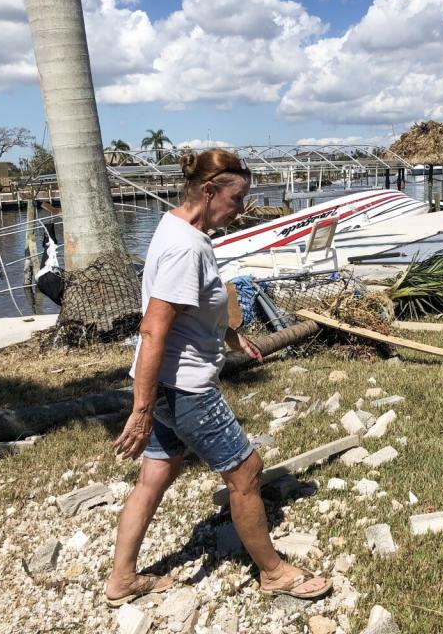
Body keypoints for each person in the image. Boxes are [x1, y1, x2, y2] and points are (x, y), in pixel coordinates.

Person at [105, 148, 331, 607]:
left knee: (156, 474)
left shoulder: (176, 228)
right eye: (237, 198)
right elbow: (152, 329)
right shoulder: (187, 247)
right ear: (208, 191)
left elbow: (188, 308)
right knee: (246, 471)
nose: (242, 209)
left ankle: (121, 580)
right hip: (183, 388)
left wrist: (229, 336)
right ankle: (273, 573)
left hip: (170, 384)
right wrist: (142, 409)